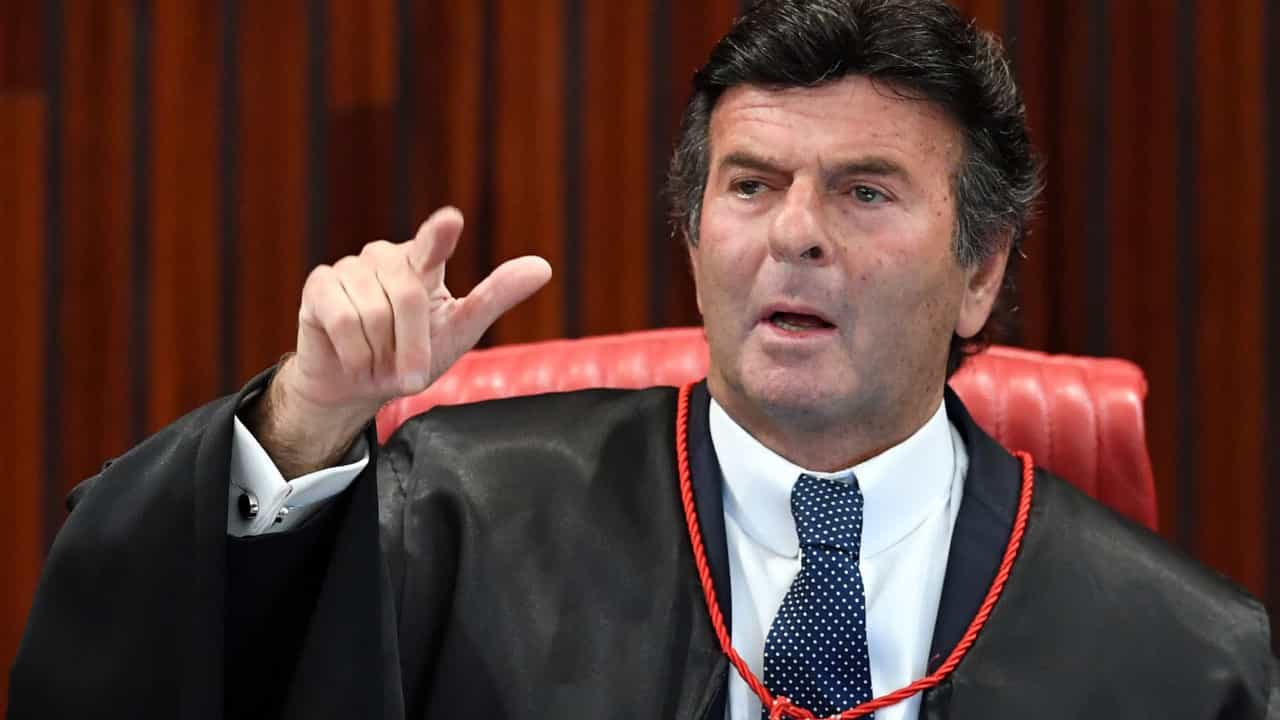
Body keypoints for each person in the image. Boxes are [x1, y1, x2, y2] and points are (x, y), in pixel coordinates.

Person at [10, 0, 1278, 717]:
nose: (793, 235)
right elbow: (146, 682)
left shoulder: (1183, 659)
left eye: (864, 191)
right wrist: (304, 419)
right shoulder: (452, 522)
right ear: (692, 235)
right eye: (750, 184)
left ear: (982, 268)